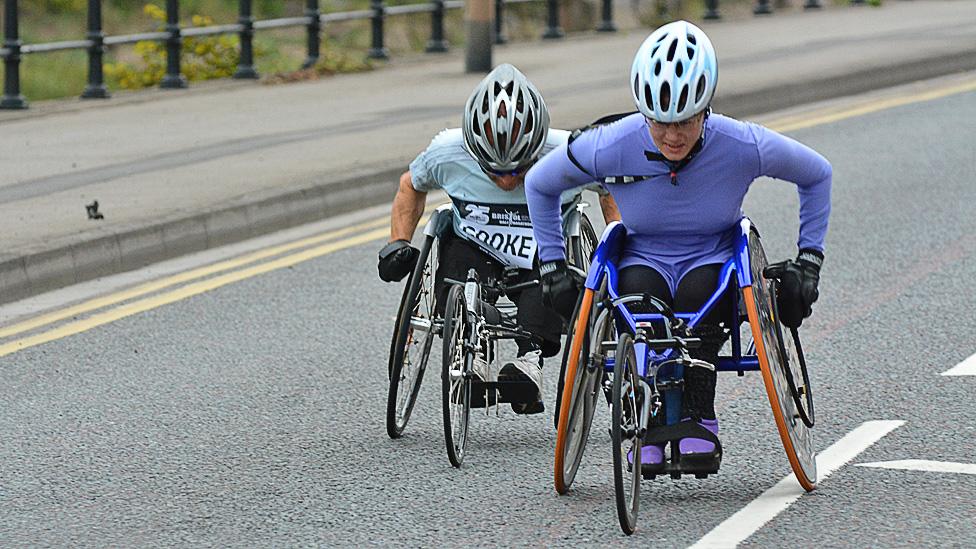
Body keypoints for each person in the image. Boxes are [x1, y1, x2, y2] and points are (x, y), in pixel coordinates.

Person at [525, 21, 830, 472]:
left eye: (685, 120)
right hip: (641, 255)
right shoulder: (609, 143)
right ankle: (646, 416)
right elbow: (538, 183)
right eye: (659, 122)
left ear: (705, 110)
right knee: (638, 301)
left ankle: (699, 413)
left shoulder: (741, 143)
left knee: (699, 298)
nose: (672, 135)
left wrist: (810, 260)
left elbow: (816, 173)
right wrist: (552, 265)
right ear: (643, 113)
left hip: (713, 258)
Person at [377, 63, 620, 414]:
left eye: (518, 169)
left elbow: (609, 189)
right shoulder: (448, 152)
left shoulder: (567, 152)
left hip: (542, 249)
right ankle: (469, 352)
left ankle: (529, 360)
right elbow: (409, 186)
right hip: (473, 246)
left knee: (552, 277)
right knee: (454, 259)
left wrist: (617, 244)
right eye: (494, 170)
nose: (506, 180)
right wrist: (399, 242)